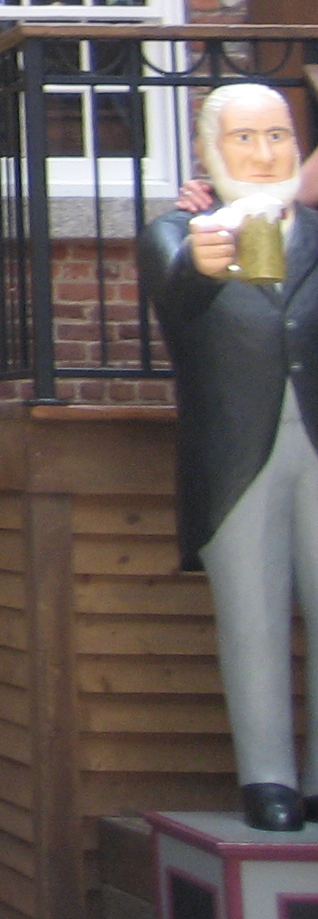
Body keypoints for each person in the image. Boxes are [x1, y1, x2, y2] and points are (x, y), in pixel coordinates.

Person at [138, 83, 318, 829]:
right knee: (252, 616)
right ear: (209, 150)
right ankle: (268, 778)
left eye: (278, 136)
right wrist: (200, 262)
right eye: (245, 138)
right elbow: (176, 297)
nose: (264, 153)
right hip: (238, 452)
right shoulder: (178, 233)